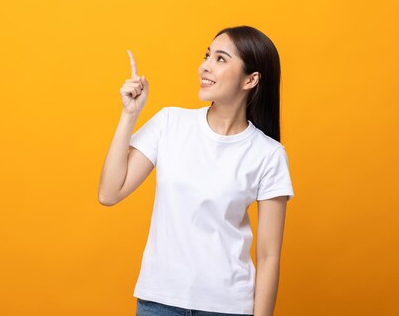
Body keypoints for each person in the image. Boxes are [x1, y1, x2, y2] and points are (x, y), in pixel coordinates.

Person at [98, 26, 295, 316]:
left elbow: (268, 257)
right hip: (159, 303)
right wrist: (130, 115)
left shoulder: (268, 154)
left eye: (221, 59)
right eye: (207, 55)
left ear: (250, 79)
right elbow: (109, 193)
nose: (205, 66)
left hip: (226, 308)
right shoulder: (170, 123)